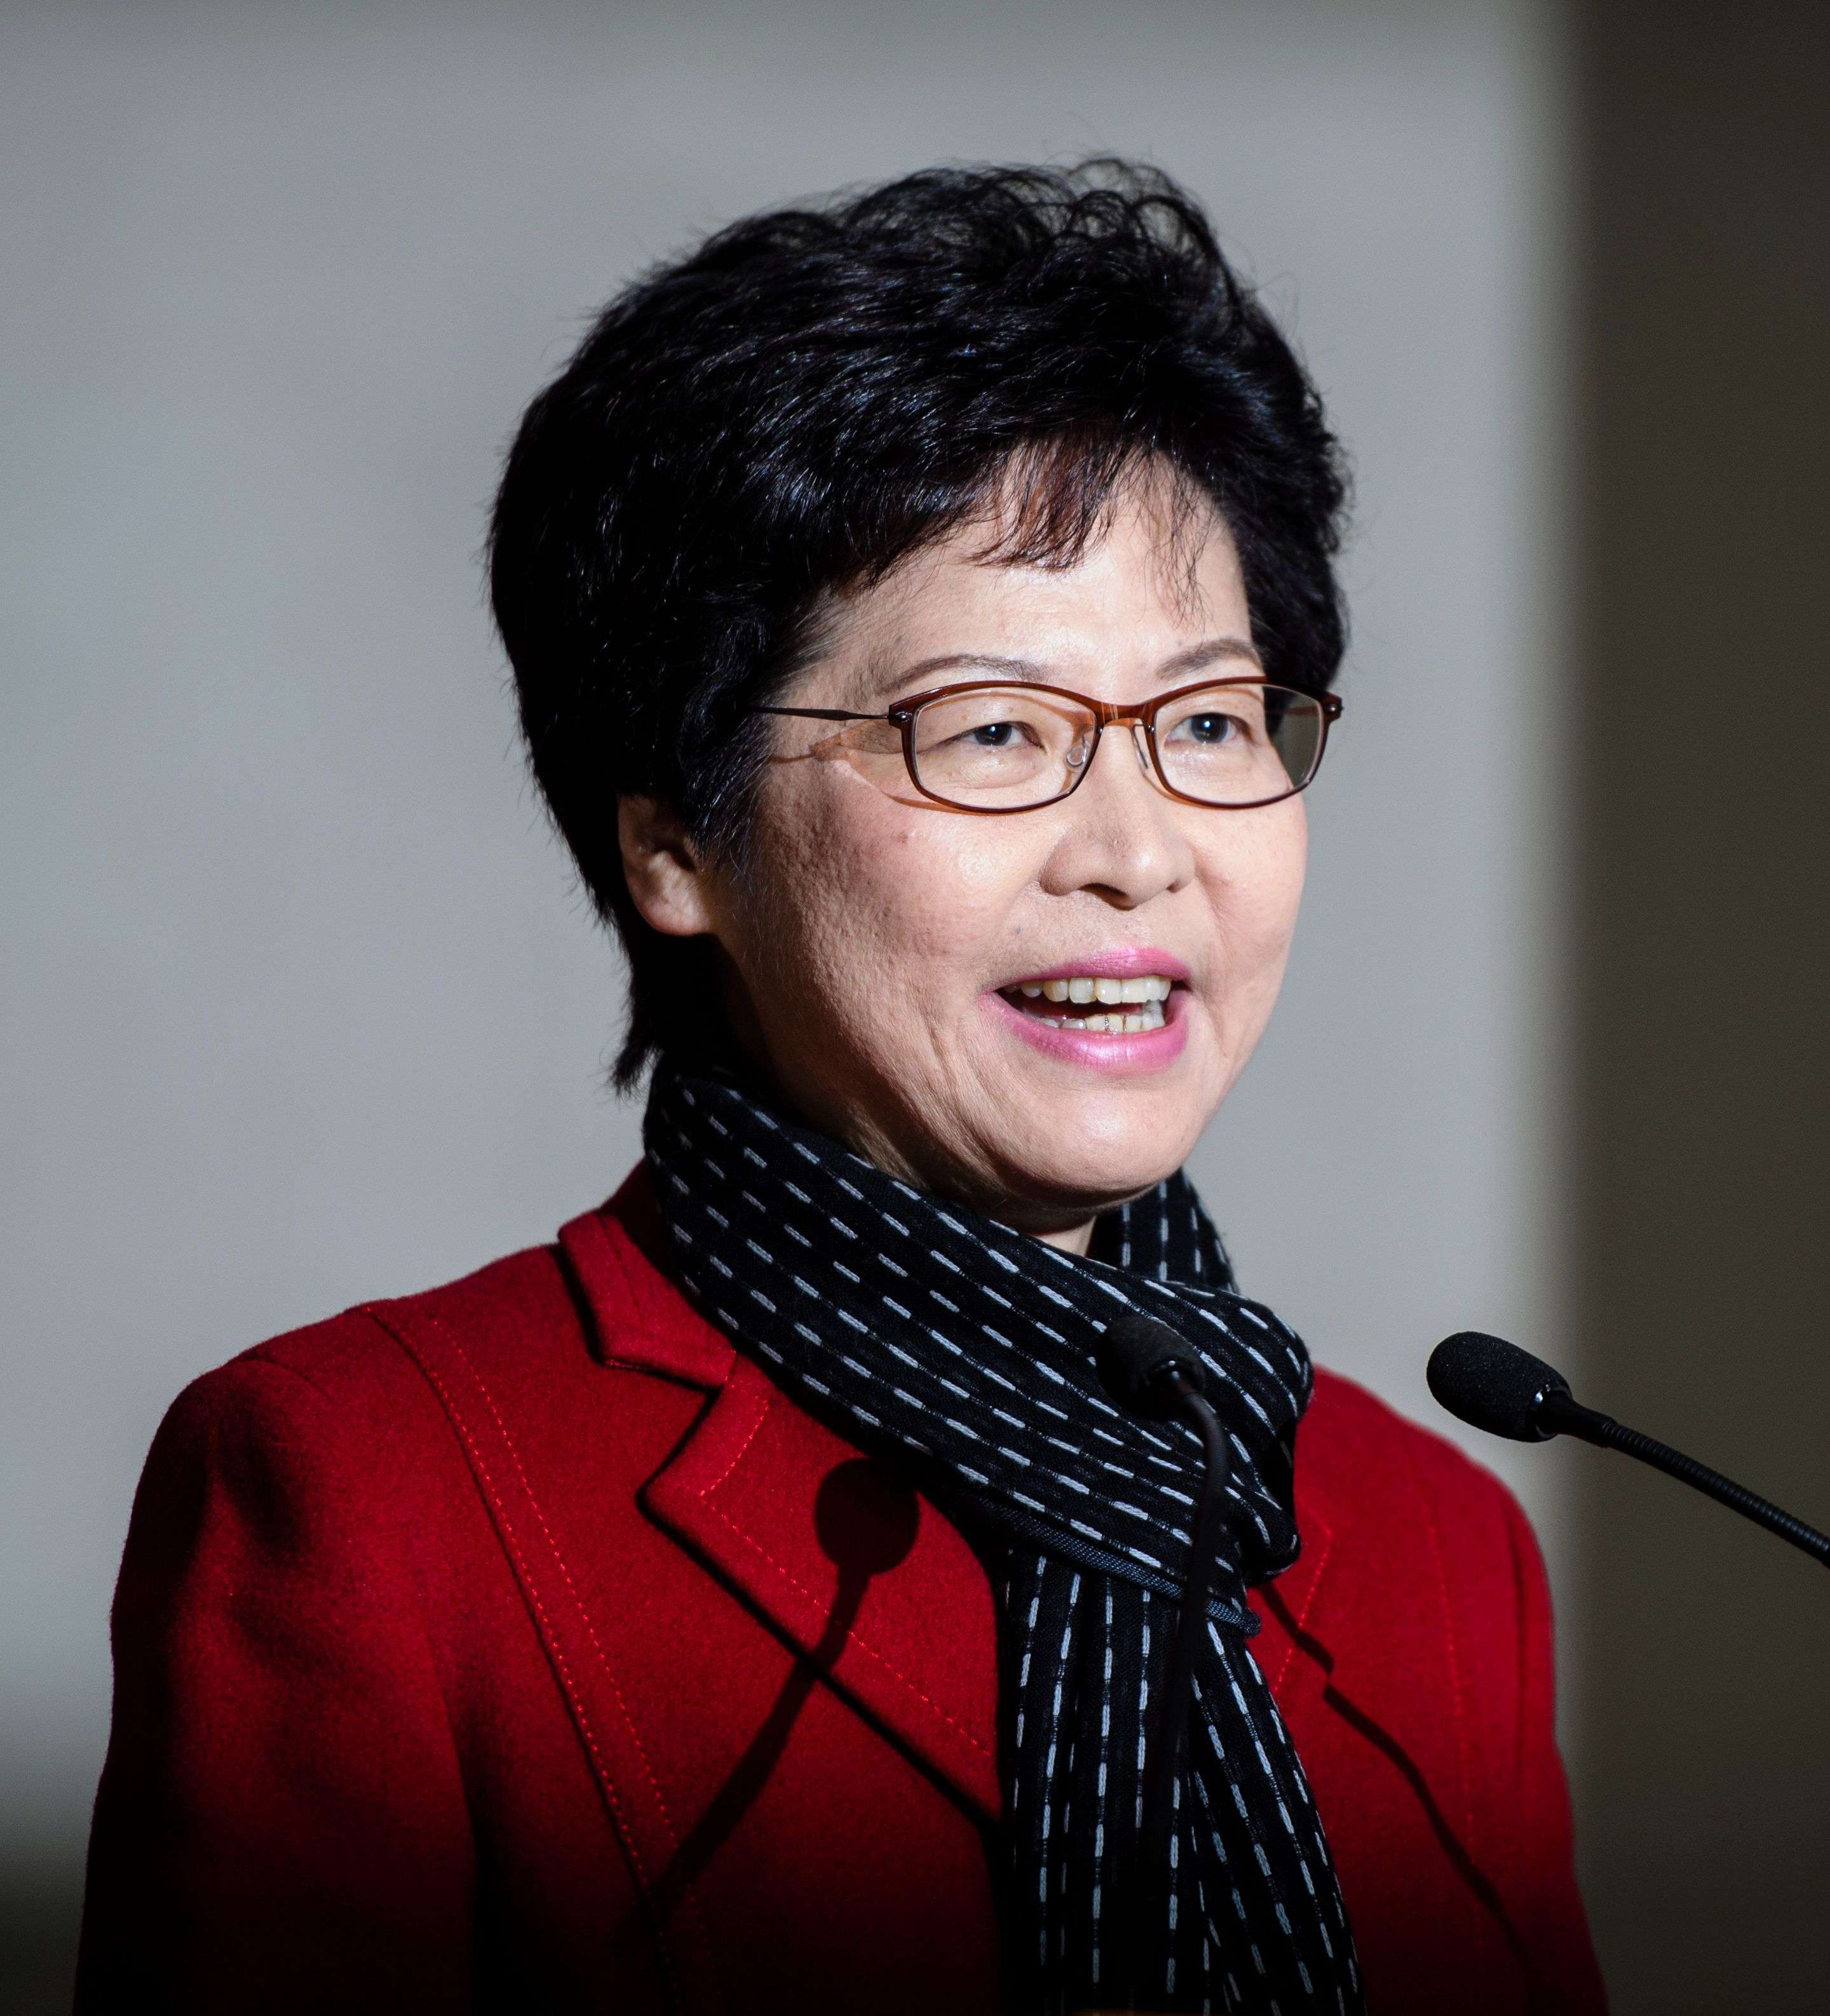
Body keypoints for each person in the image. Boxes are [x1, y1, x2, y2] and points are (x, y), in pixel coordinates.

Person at [76, 162, 1603, 2016]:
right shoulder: (367, 1501)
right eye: (991, 732)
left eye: (1210, 721)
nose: (1136, 851)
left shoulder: (1441, 1550)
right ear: (677, 847)